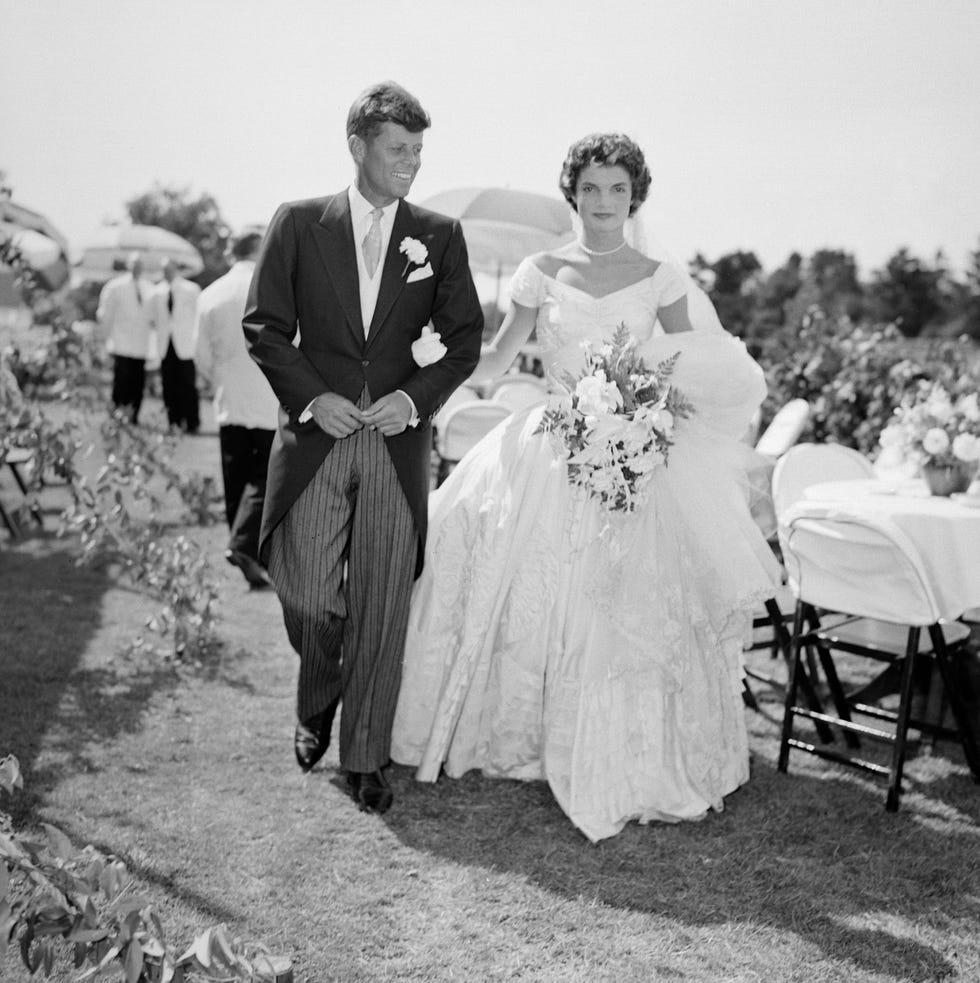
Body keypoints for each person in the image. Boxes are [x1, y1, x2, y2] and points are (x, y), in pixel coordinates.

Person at [390, 133, 782, 842]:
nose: (604, 203)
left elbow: (696, 363)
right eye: (593, 188)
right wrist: (427, 363)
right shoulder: (541, 270)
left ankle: (627, 742)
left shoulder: (660, 276)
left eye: (618, 190)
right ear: (572, 192)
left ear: (636, 196)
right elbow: (501, 352)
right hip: (549, 442)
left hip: (632, 449)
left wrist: (645, 408)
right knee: (509, 572)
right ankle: (518, 730)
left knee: (626, 594)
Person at [243, 81, 484, 814]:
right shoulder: (296, 223)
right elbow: (264, 326)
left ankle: (367, 755)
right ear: (358, 147)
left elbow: (465, 339)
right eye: (396, 148)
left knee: (382, 600)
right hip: (317, 437)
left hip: (396, 443)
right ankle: (318, 692)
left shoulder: (439, 235)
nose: (410, 162)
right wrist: (315, 396)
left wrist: (412, 400)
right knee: (309, 590)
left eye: (417, 150)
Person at [195, 231, 277, 589]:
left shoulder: (210, 293)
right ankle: (246, 548)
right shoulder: (274, 288)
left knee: (236, 478)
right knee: (265, 476)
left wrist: (219, 378)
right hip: (270, 396)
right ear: (260, 250)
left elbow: (198, 354)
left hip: (229, 400)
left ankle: (241, 546)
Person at [96, 252, 154, 423]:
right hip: (122, 343)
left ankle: (134, 414)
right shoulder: (115, 286)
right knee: (121, 382)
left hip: (141, 344)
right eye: (134, 264)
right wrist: (104, 339)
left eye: (140, 265)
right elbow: (105, 314)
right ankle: (117, 412)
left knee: (138, 383)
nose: (137, 268)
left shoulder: (149, 288)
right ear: (128, 265)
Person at [150, 259, 201, 433]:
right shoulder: (156, 292)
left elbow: (197, 317)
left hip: (185, 345)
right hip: (166, 345)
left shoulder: (191, 289)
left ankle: (192, 421)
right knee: (169, 386)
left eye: (170, 269)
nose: (167, 273)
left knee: (188, 385)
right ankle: (174, 421)